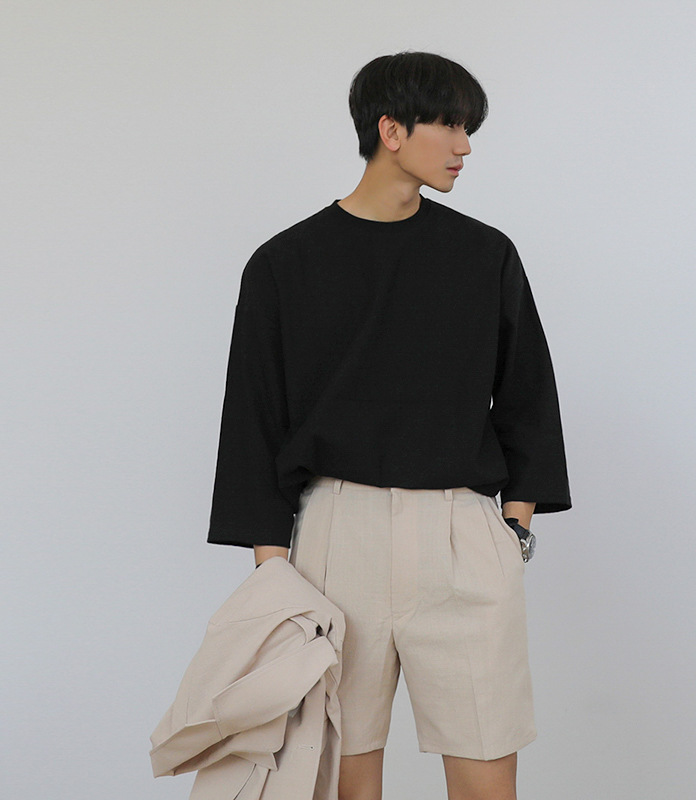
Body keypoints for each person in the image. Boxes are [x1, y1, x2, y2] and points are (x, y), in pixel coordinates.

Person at [207, 50, 571, 800]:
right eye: (451, 125)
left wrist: (513, 530)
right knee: (340, 770)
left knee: (486, 767)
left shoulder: (484, 254)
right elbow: (254, 417)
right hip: (336, 539)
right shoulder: (285, 263)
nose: (465, 145)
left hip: (462, 532)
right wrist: (274, 574)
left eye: (468, 129)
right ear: (391, 130)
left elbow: (528, 395)